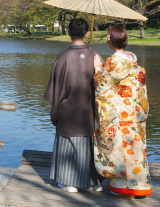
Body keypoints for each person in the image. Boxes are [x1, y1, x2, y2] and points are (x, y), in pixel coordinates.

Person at [44, 17, 104, 193]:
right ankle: (94, 182)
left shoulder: (62, 57)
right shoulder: (96, 56)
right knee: (91, 146)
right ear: (86, 34)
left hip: (69, 113)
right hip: (90, 113)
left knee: (68, 142)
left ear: (69, 33)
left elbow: (54, 91)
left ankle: (70, 182)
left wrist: (55, 111)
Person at [92, 25, 152, 197]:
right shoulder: (132, 59)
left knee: (121, 151)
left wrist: (97, 67)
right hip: (136, 113)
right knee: (137, 151)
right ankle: (140, 187)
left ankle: (123, 187)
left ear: (110, 41)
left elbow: (100, 84)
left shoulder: (114, 62)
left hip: (120, 114)